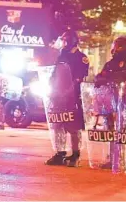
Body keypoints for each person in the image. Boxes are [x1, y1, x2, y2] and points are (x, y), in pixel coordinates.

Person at [45, 30, 89, 167]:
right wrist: (50, 86)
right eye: (62, 40)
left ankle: (75, 154)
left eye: (65, 40)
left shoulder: (81, 57)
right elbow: (54, 73)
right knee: (58, 124)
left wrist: (69, 90)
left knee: (72, 126)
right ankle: (60, 152)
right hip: (57, 95)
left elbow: (80, 77)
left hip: (72, 96)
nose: (63, 43)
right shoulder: (61, 55)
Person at [94, 36, 126, 168]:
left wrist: (111, 79)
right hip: (109, 100)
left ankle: (122, 158)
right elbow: (101, 76)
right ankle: (113, 157)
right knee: (110, 129)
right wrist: (99, 80)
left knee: (122, 130)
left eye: (117, 46)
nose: (114, 49)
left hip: (123, 101)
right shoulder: (110, 63)